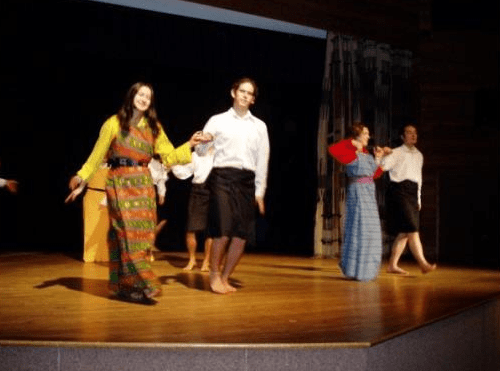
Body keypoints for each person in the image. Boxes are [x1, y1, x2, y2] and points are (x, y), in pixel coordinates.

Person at [67, 82, 206, 304]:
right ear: (132, 96)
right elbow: (97, 155)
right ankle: (143, 282)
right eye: (140, 94)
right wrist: (81, 176)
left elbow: (168, 156)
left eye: (148, 97)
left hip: (143, 185)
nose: (143, 99)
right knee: (128, 233)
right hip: (119, 182)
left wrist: (189, 144)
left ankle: (126, 285)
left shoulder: (154, 127)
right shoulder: (113, 123)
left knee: (142, 235)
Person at [202, 77, 270, 294]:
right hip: (222, 177)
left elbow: (263, 160)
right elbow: (202, 152)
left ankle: (225, 277)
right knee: (223, 230)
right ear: (233, 93)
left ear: (253, 100)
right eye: (242, 91)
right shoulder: (217, 120)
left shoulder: (260, 126)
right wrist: (201, 143)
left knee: (241, 235)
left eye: (250, 94)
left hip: (246, 182)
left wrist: (260, 192)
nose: (245, 96)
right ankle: (213, 274)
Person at [328, 122, 391, 281]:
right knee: (359, 228)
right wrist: (352, 142)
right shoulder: (351, 152)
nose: (368, 136)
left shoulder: (366, 154)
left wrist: (379, 158)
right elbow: (332, 149)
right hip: (358, 192)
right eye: (365, 133)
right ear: (357, 135)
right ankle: (354, 269)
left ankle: (367, 270)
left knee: (371, 230)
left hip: (369, 193)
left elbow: (374, 174)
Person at [382, 123, 436, 275]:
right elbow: (382, 167)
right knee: (412, 229)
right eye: (409, 132)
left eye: (415, 132)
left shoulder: (419, 155)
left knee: (404, 232)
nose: (413, 135)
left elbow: (419, 179)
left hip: (412, 193)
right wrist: (383, 155)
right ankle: (423, 263)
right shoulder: (396, 152)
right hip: (399, 191)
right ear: (402, 136)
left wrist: (418, 198)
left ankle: (392, 265)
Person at [171, 143, 214, 271]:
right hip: (198, 190)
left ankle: (206, 262)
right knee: (191, 228)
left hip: (214, 191)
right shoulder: (195, 156)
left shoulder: (219, 155)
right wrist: (172, 163)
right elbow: (183, 172)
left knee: (210, 230)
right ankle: (192, 260)